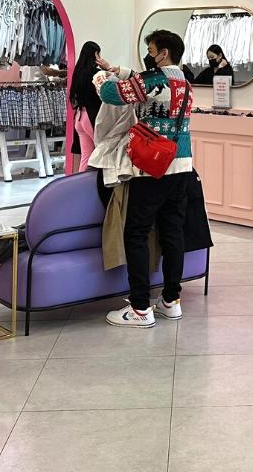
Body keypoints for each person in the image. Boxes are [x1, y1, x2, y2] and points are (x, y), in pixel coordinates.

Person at [97, 29, 193, 328]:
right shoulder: (185, 81)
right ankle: (171, 301)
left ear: (162, 53)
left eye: (151, 50)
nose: (149, 55)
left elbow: (111, 95)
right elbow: (142, 82)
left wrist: (101, 79)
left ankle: (140, 308)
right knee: (172, 233)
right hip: (183, 165)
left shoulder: (153, 81)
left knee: (136, 233)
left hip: (152, 167)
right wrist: (121, 71)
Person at [69, 41, 104, 172]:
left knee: (86, 156)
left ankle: (81, 187)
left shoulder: (78, 72)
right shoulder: (97, 74)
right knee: (101, 155)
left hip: (80, 116)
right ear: (95, 54)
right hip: (92, 117)